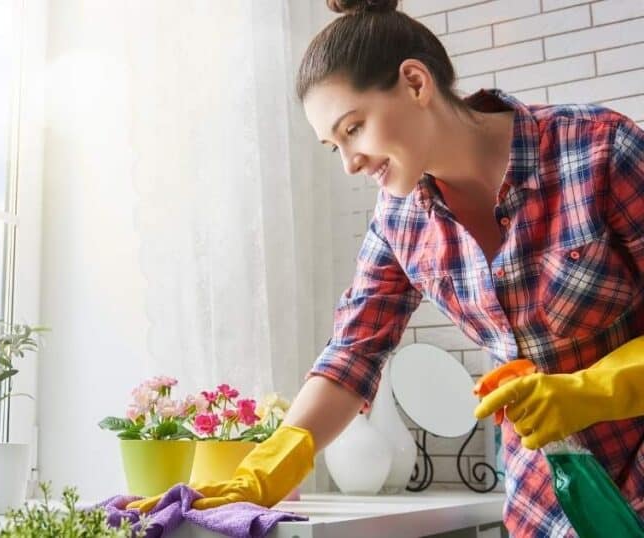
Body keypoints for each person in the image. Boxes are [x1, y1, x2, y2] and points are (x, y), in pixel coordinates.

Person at [128, 0, 644, 535]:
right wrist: (258, 475)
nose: (350, 162)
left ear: (416, 83)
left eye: (353, 128)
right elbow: (353, 353)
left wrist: (592, 391)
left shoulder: (596, 149)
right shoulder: (400, 221)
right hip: (548, 503)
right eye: (334, 147)